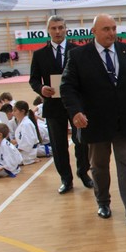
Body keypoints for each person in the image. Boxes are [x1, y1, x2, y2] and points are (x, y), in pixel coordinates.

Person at [60, 14, 126, 227]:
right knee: (99, 166)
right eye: (106, 29)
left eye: (114, 28)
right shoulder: (78, 55)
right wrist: (75, 112)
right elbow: (67, 87)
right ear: (93, 32)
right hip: (94, 122)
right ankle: (103, 202)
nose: (111, 33)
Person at [29, 15, 92, 194]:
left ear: (66, 29)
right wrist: (41, 88)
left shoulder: (78, 51)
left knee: (82, 141)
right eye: (53, 28)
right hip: (53, 106)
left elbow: (87, 76)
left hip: (76, 105)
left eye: (60, 27)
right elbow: (34, 79)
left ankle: (83, 173)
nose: (57, 31)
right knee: (58, 145)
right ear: (48, 30)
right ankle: (66, 179)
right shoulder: (39, 55)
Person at [12, 101, 50, 165]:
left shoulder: (26, 124)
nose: (13, 113)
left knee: (5, 161)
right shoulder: (23, 122)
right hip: (25, 152)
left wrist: (14, 151)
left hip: (27, 155)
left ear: (22, 111)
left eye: (15, 111)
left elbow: (27, 144)